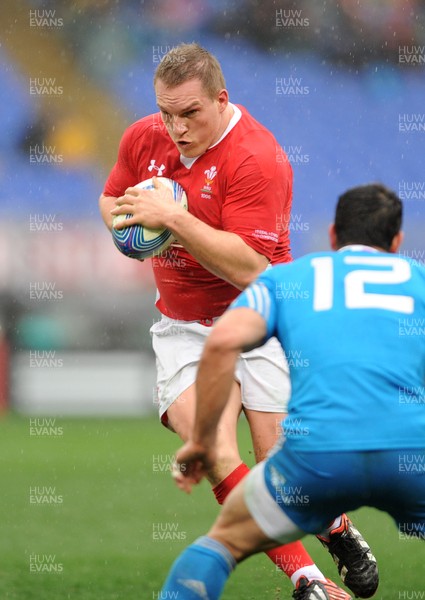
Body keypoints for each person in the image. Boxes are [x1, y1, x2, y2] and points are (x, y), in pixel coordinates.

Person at [99, 43, 377, 598]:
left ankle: (336, 526)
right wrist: (129, 231)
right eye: (166, 113)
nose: (175, 128)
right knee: (214, 451)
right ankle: (310, 581)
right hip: (183, 327)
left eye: (190, 114)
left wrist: (172, 220)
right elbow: (111, 198)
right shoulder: (143, 137)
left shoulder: (258, 156)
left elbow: (252, 269)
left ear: (221, 100)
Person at [162, 183, 425, 599]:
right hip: (411, 457)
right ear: (397, 242)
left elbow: (221, 343)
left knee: (222, 544)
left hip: (318, 458)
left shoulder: (289, 279)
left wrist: (202, 440)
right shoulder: (419, 280)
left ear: (334, 235)